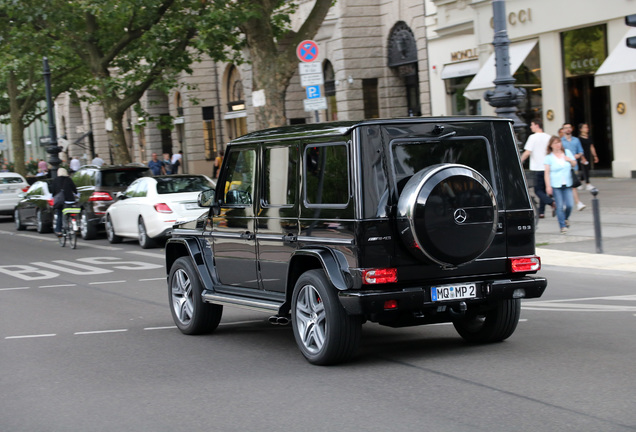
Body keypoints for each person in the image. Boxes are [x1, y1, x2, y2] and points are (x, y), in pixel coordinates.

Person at [520, 119, 555, 218]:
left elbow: (527, 152)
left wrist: (520, 161)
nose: (531, 127)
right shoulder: (548, 137)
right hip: (547, 168)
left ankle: (551, 202)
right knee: (543, 191)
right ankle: (541, 212)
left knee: (538, 191)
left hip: (537, 168)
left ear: (537, 125)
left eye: (532, 125)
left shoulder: (533, 137)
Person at [544, 136, 577, 234]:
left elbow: (574, 164)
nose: (558, 145)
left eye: (559, 142)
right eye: (555, 143)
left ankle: (565, 218)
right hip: (556, 184)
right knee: (560, 206)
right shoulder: (548, 157)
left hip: (567, 183)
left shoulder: (567, 152)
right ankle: (562, 226)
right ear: (551, 145)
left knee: (570, 205)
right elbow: (547, 173)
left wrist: (569, 160)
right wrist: (548, 186)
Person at [561, 123, 586, 211]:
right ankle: (566, 203)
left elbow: (581, 151)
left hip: (573, 167)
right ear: (563, 130)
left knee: (573, 186)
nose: (568, 129)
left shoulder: (576, 140)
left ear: (571, 129)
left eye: (569, 128)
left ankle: (577, 203)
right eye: (566, 128)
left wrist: (578, 156)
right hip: (563, 167)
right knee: (565, 186)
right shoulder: (560, 141)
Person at [51, 168, 78, 236]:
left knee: (60, 214)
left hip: (61, 202)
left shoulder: (55, 180)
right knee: (71, 212)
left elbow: (52, 191)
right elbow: (75, 190)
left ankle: (59, 231)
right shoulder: (69, 179)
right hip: (70, 201)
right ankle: (73, 223)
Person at [577, 123, 599, 191]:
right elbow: (578, 148)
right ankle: (588, 184)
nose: (587, 129)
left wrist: (595, 156)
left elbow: (591, 147)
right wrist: (582, 157)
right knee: (585, 169)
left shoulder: (589, 137)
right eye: (585, 127)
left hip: (588, 155)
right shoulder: (579, 139)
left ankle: (579, 183)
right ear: (581, 129)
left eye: (587, 127)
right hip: (582, 155)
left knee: (586, 169)